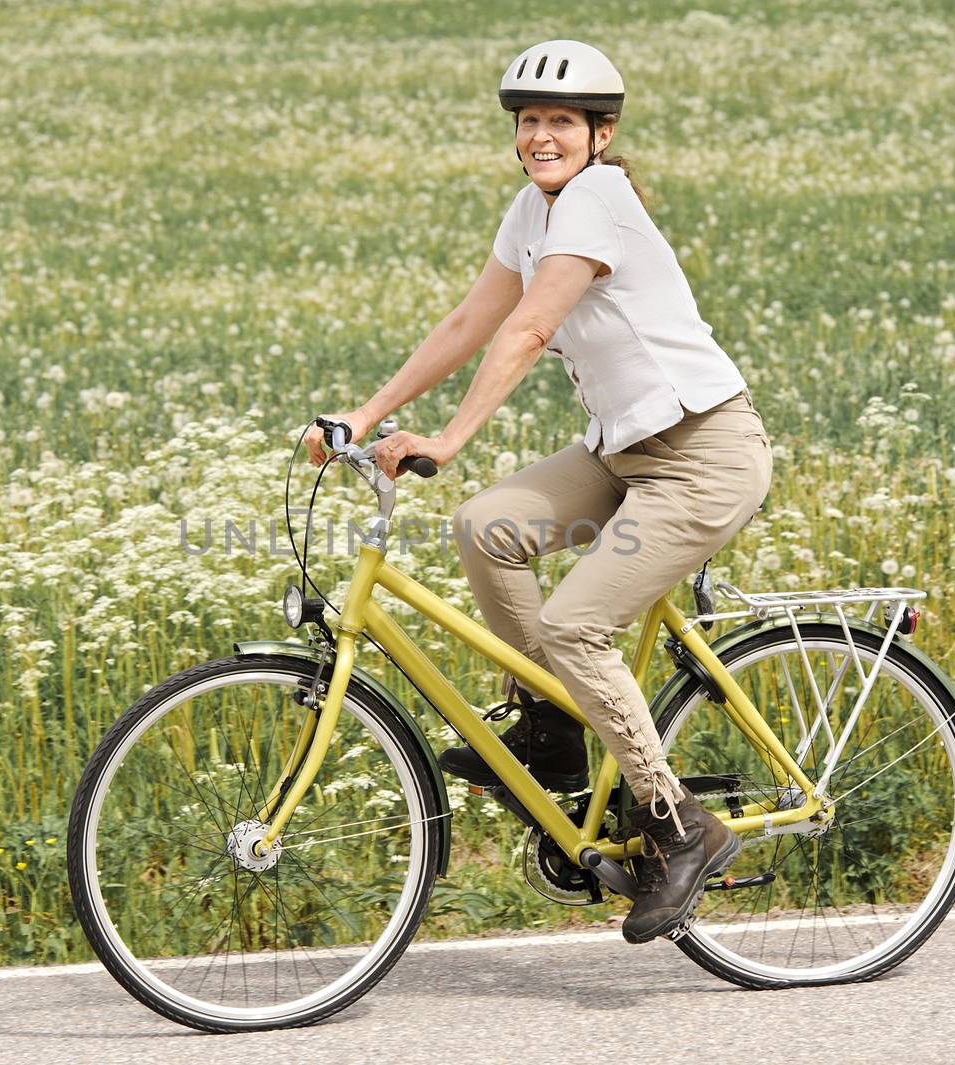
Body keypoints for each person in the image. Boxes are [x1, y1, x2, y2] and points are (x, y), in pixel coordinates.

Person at [302, 40, 772, 943]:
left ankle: (678, 825)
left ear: (602, 134)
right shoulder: (533, 208)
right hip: (622, 451)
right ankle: (553, 723)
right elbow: (469, 320)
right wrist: (361, 418)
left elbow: (528, 328)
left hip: (704, 456)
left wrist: (445, 437)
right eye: (530, 123)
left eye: (562, 122)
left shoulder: (598, 201)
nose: (543, 137)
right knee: (485, 526)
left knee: (573, 625)